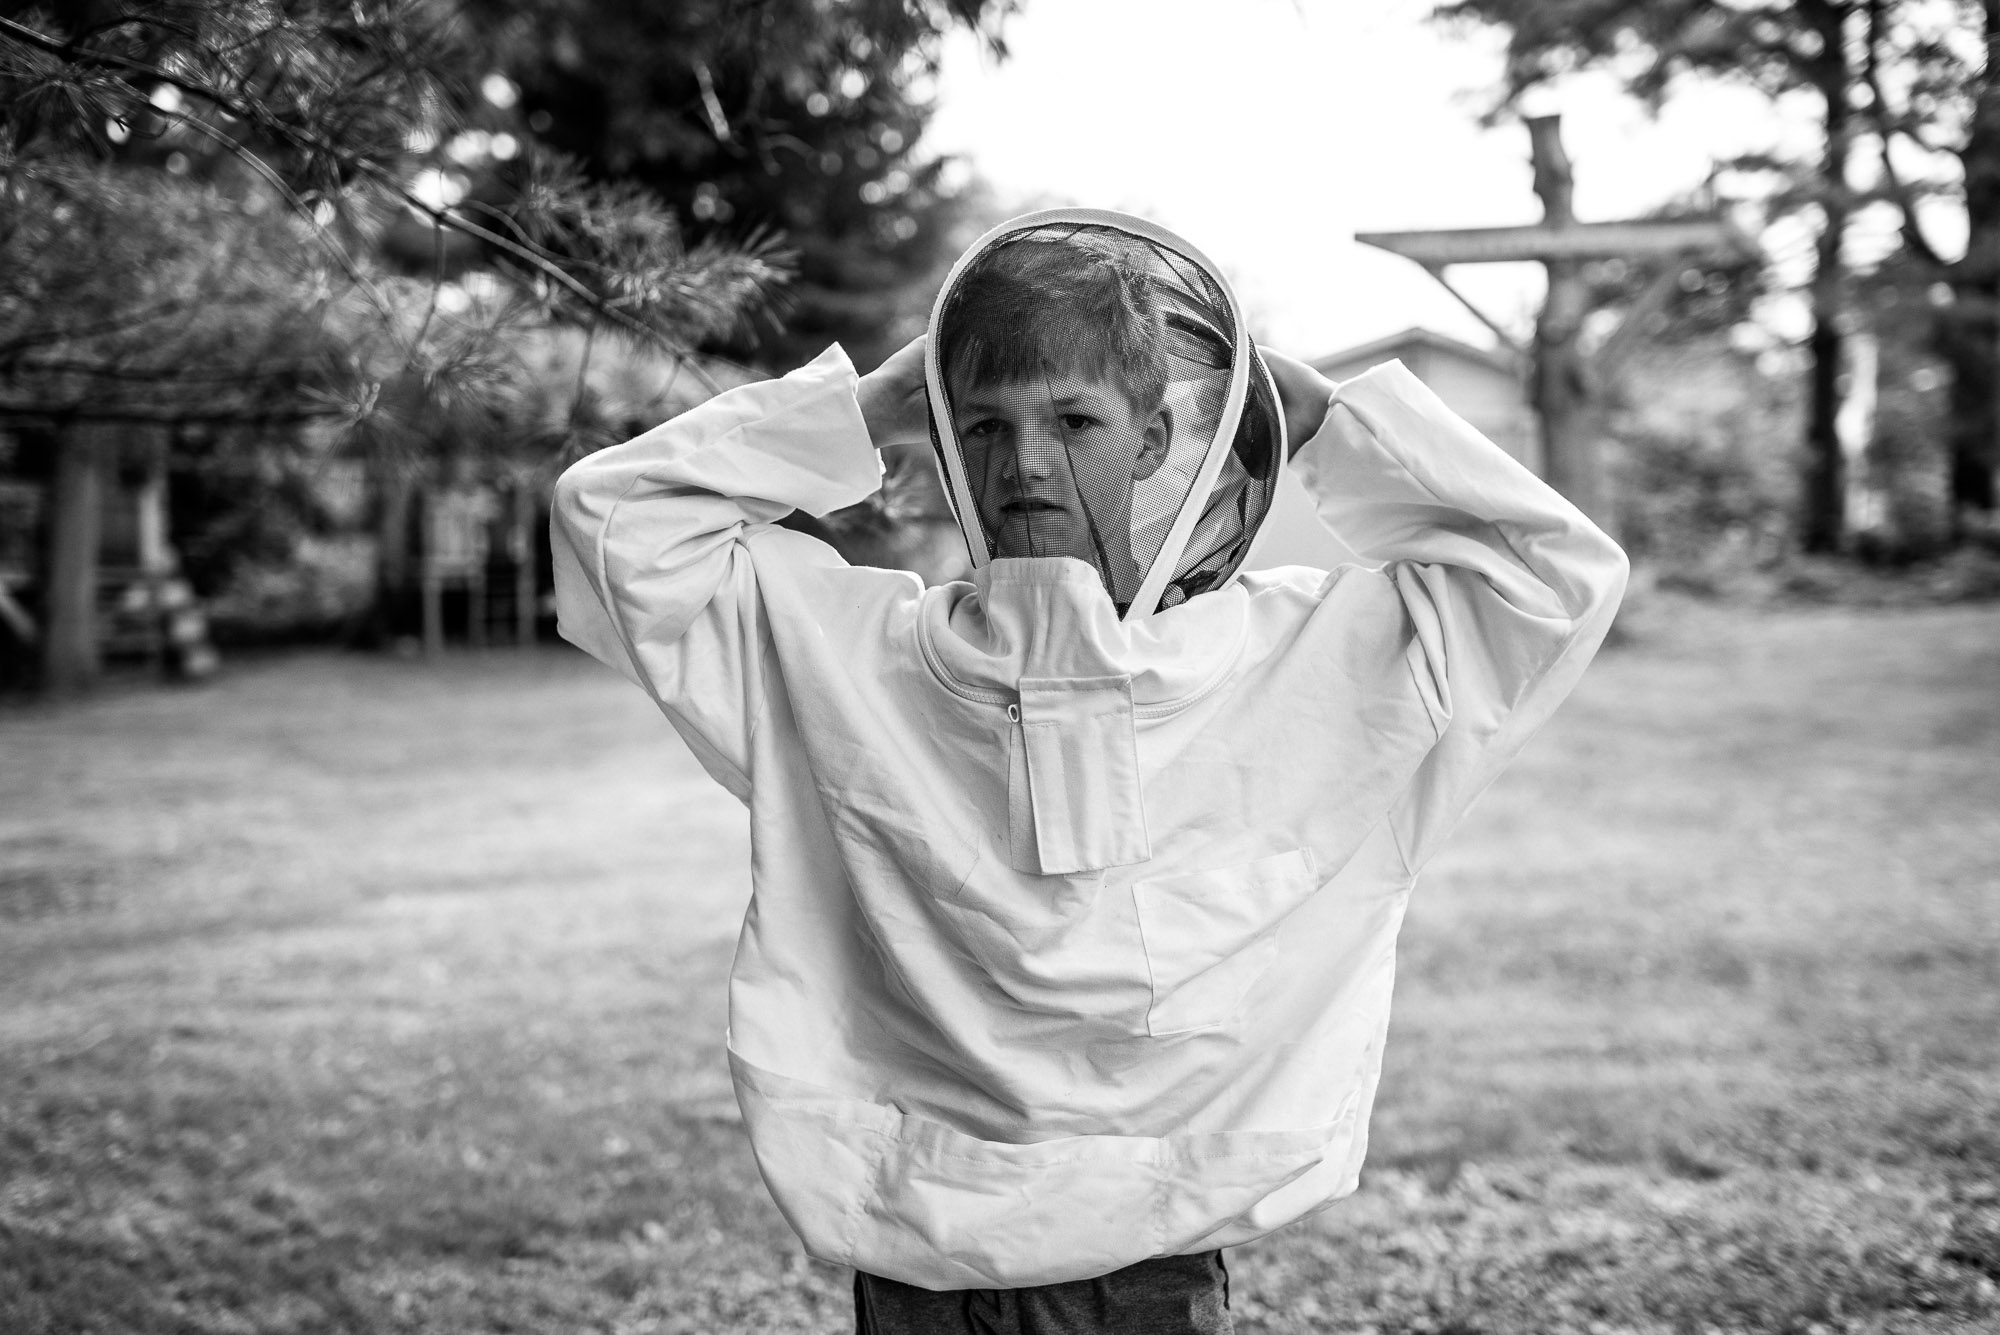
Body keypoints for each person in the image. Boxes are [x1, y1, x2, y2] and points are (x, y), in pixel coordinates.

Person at [550, 210, 1628, 1334]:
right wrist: (874, 401)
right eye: (981, 424)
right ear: (944, 443)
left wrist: (1296, 407)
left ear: (1160, 441)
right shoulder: (848, 655)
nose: (1022, 461)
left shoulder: (1294, 664)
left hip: (1151, 1272)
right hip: (920, 1267)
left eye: (1072, 418)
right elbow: (610, 523)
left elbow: (1552, 578)